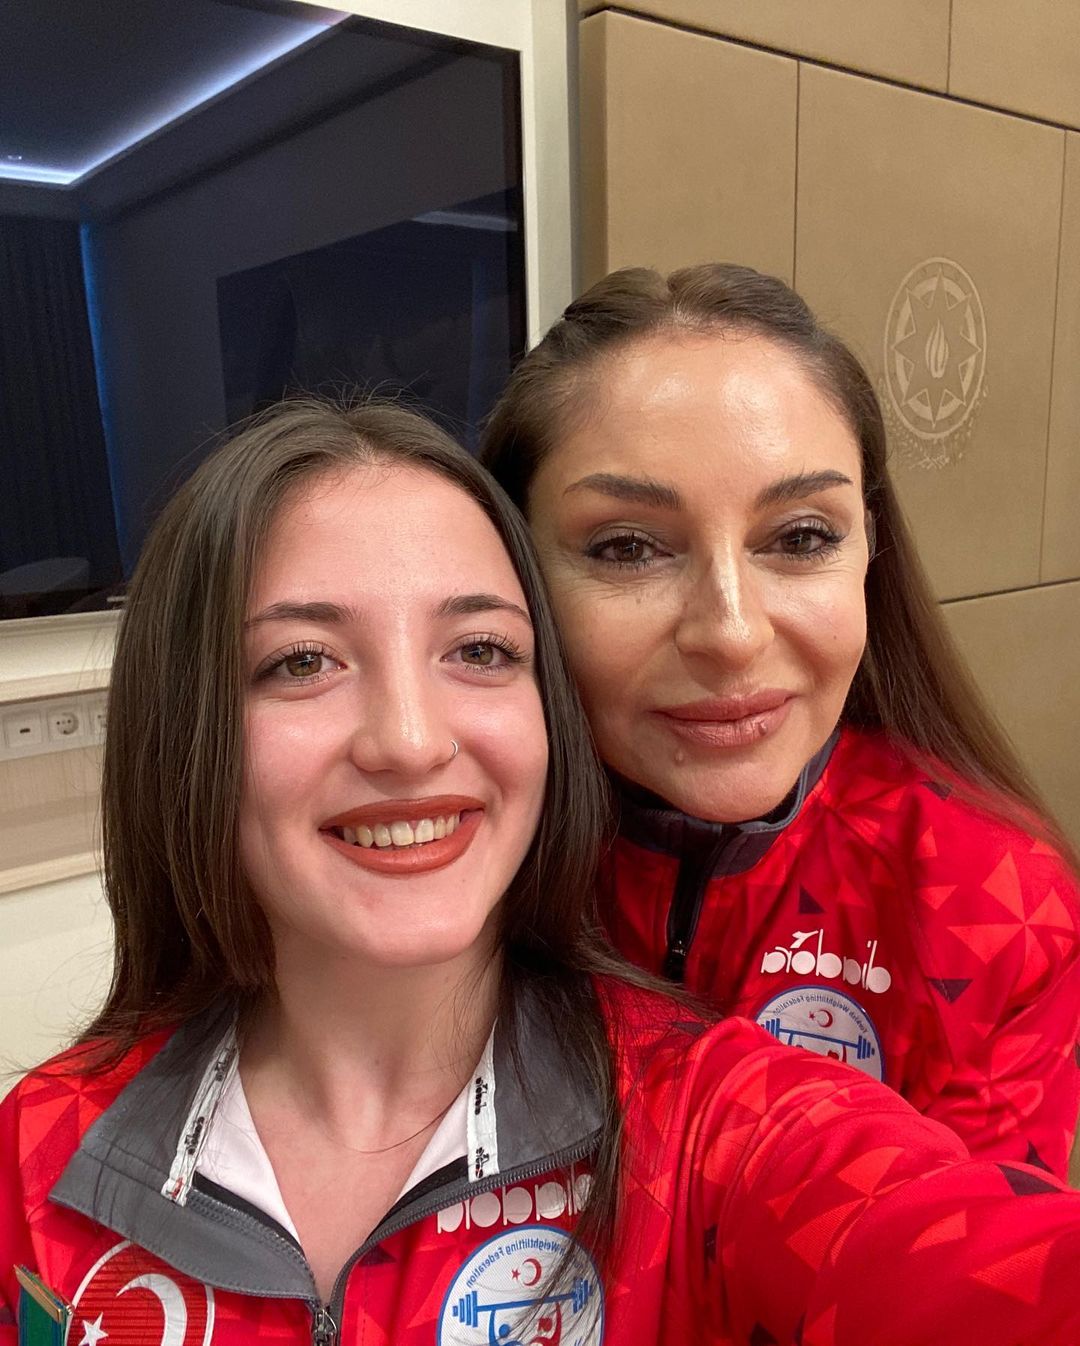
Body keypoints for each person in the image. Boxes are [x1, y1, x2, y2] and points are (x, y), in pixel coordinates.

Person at [3, 399, 1080, 1346]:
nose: (411, 741)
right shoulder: (37, 1157)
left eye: (480, 650)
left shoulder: (709, 1122)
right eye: (302, 661)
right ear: (184, 731)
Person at [481, 263, 1080, 1178]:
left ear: (870, 546)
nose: (731, 634)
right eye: (628, 547)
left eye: (801, 537)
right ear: (512, 567)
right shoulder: (452, 859)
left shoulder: (996, 901)